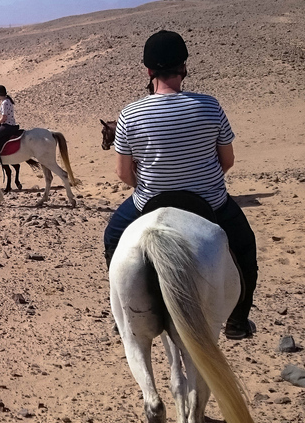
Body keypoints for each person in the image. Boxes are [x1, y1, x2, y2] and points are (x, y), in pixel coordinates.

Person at [103, 30, 258, 340]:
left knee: (112, 238)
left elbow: (123, 174)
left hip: (149, 202)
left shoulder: (129, 114)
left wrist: (150, 186)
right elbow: (227, 160)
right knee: (245, 248)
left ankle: (121, 312)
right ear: (184, 67)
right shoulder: (209, 106)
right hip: (210, 202)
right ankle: (239, 319)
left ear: (148, 71)